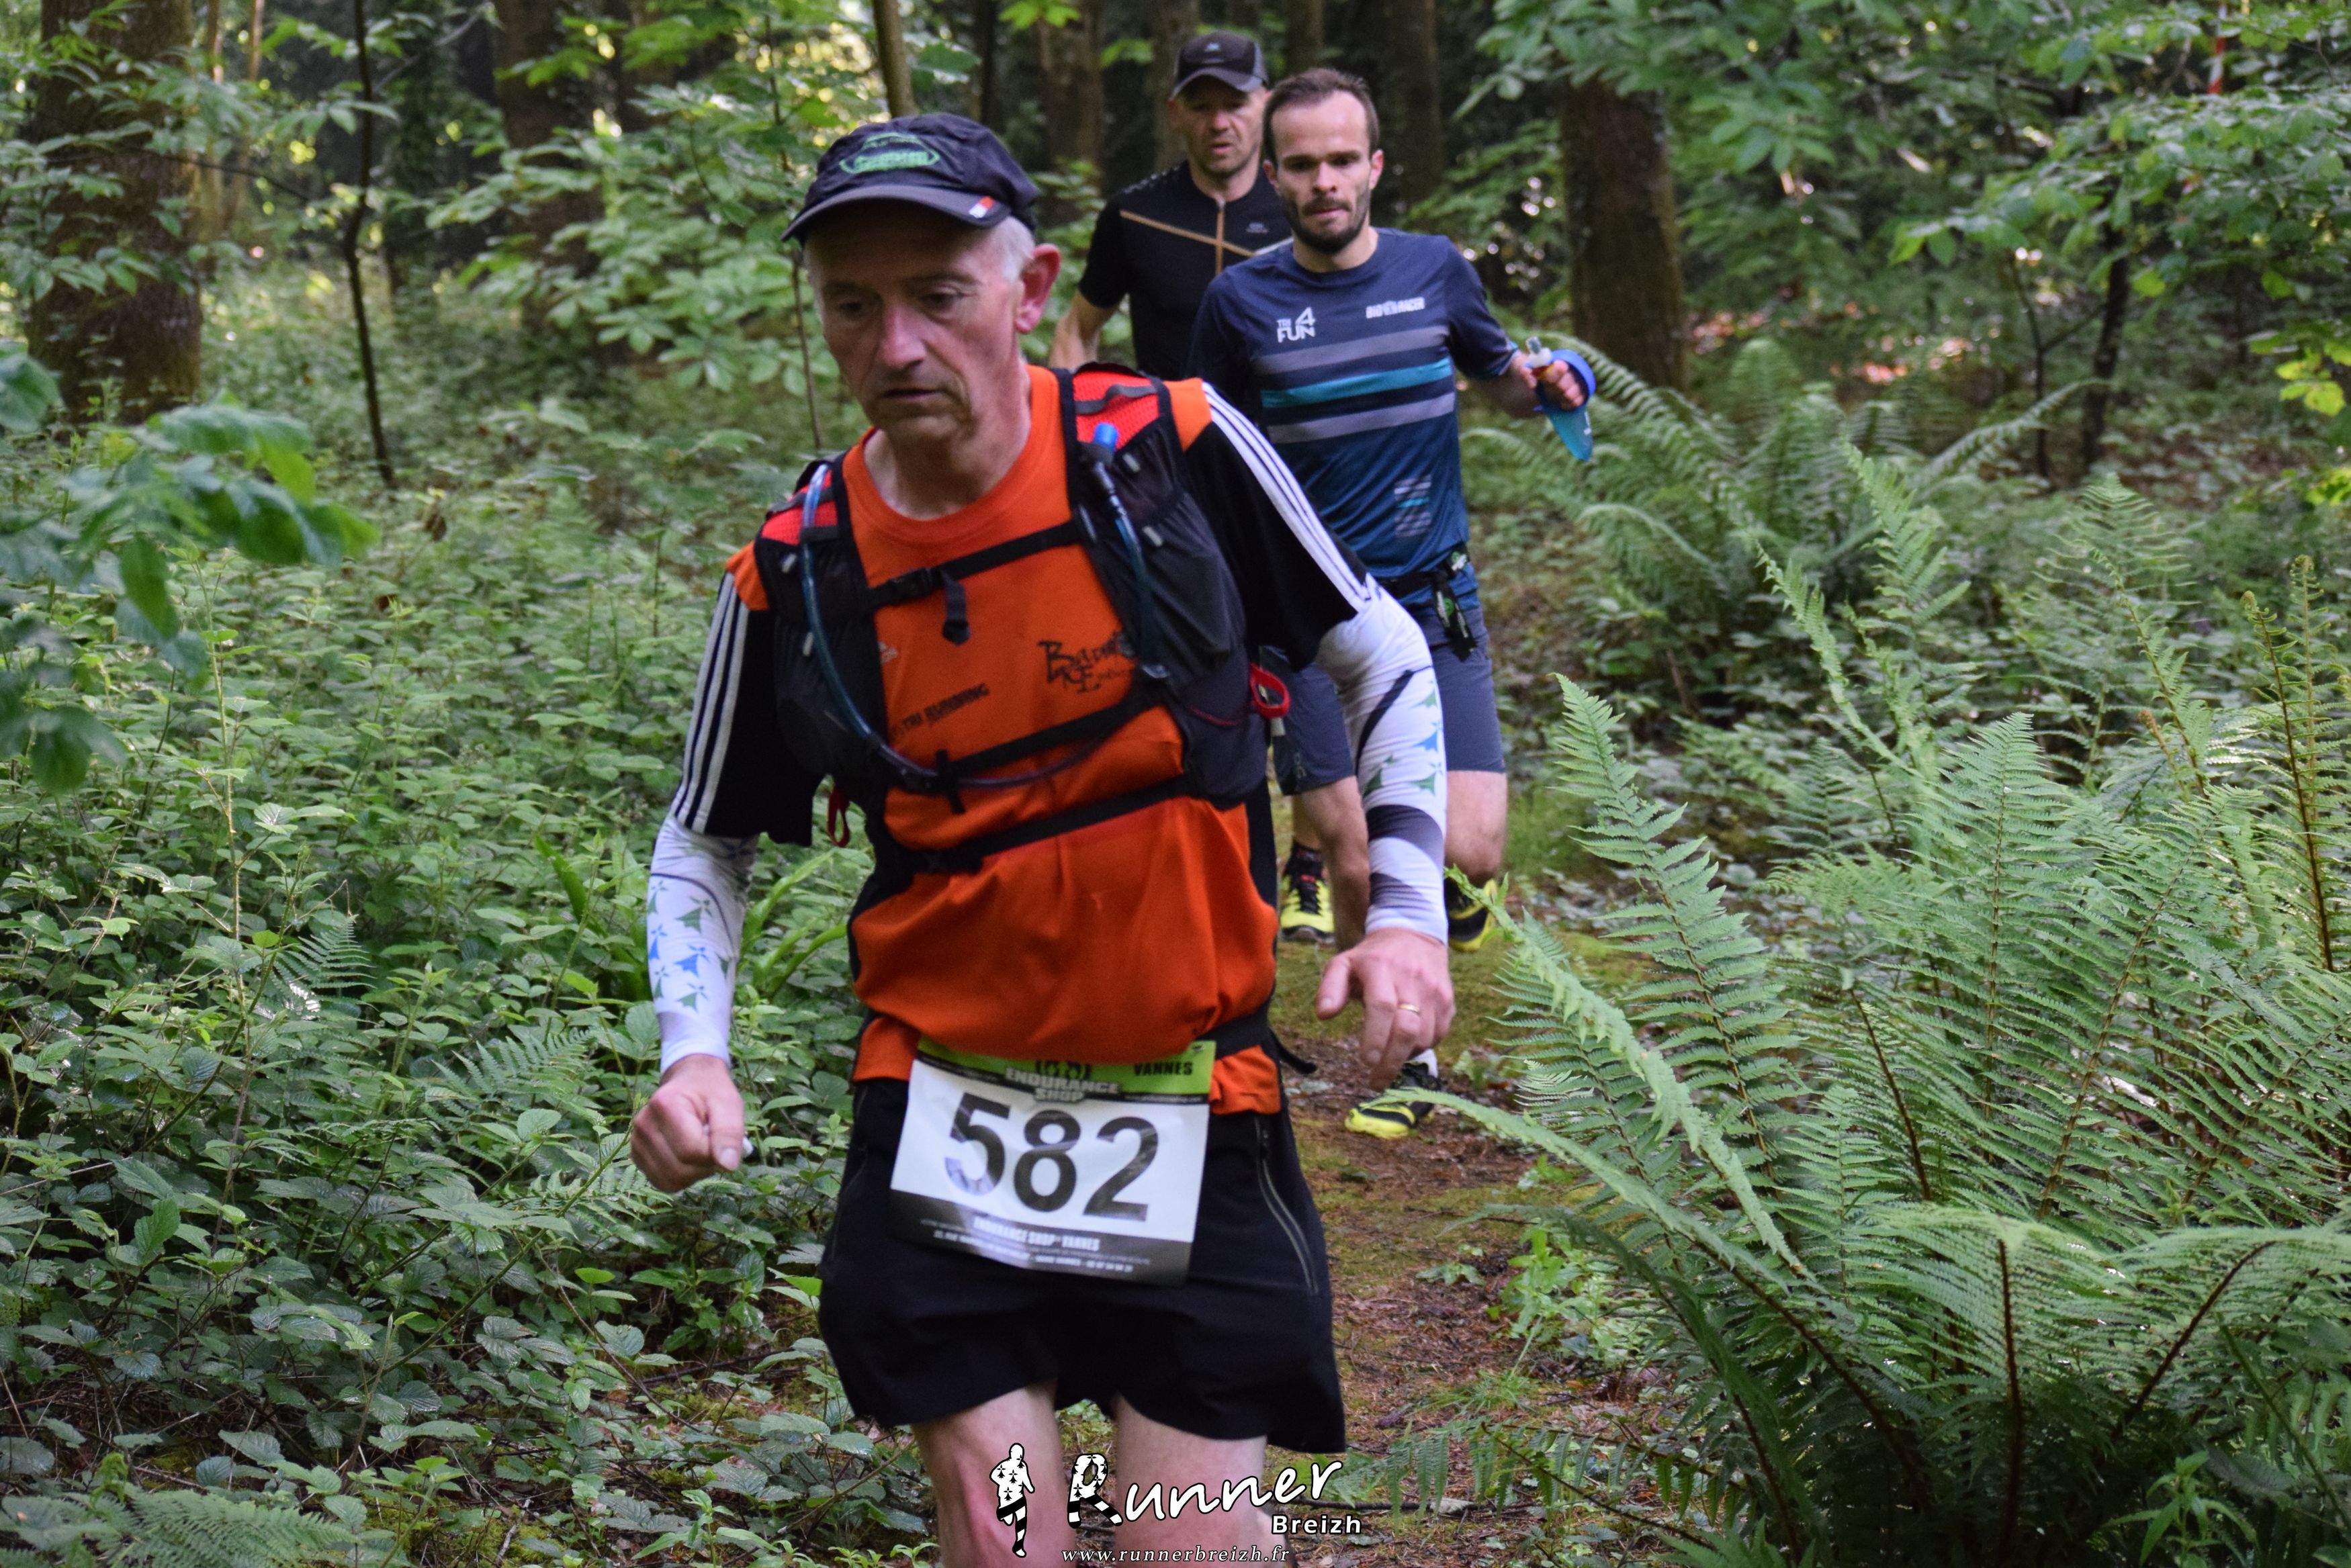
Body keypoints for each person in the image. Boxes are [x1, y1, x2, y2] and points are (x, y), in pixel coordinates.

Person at [629, 113, 1456, 1568]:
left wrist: (1403, 915)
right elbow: (705, 837)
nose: (895, 344)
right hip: (944, 1114)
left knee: (1184, 1543)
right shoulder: (798, 568)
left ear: (1029, 289)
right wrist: (694, 1051)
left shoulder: (1172, 454)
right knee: (1012, 1537)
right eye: (851, 304)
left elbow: (1379, 653)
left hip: (1193, 1093)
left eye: (937, 293)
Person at [1189, 68, 1592, 1140]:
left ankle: (1432, 938)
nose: (1323, 181)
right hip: (1311, 620)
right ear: (1274, 177)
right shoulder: (1239, 304)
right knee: (1363, 852)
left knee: (1474, 852)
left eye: (1340, 160)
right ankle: (1408, 1060)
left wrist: (1548, 383)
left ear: (1373, 165)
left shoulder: (1435, 270)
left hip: (1434, 601)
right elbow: (1208, 451)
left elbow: (1499, 378)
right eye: (1301, 164)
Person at [1049, 32, 1288, 381]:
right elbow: (1075, 331)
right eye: (1201, 107)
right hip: (1166, 413)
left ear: (1267, 107)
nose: (1219, 124)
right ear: (1175, 113)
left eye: (1235, 105)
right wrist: (1078, 409)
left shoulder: (1297, 214)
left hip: (1272, 415)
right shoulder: (1135, 216)